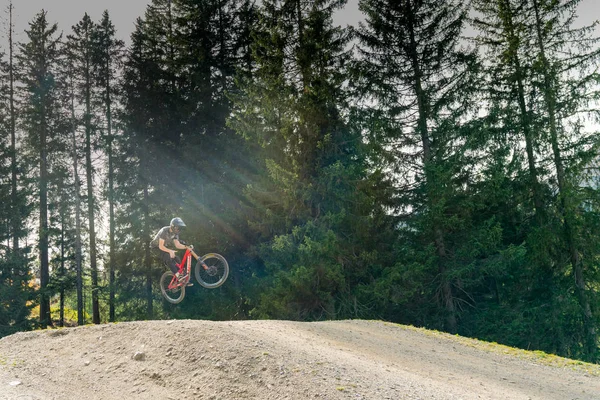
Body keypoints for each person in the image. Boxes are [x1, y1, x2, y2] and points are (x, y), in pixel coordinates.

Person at [150, 217, 193, 286]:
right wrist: (170, 251)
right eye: (177, 228)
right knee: (168, 257)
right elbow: (160, 246)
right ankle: (178, 276)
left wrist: (186, 247)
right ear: (173, 226)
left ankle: (184, 279)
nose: (178, 230)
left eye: (179, 228)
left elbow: (177, 245)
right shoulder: (164, 231)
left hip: (164, 247)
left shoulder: (175, 233)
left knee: (177, 259)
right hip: (155, 247)